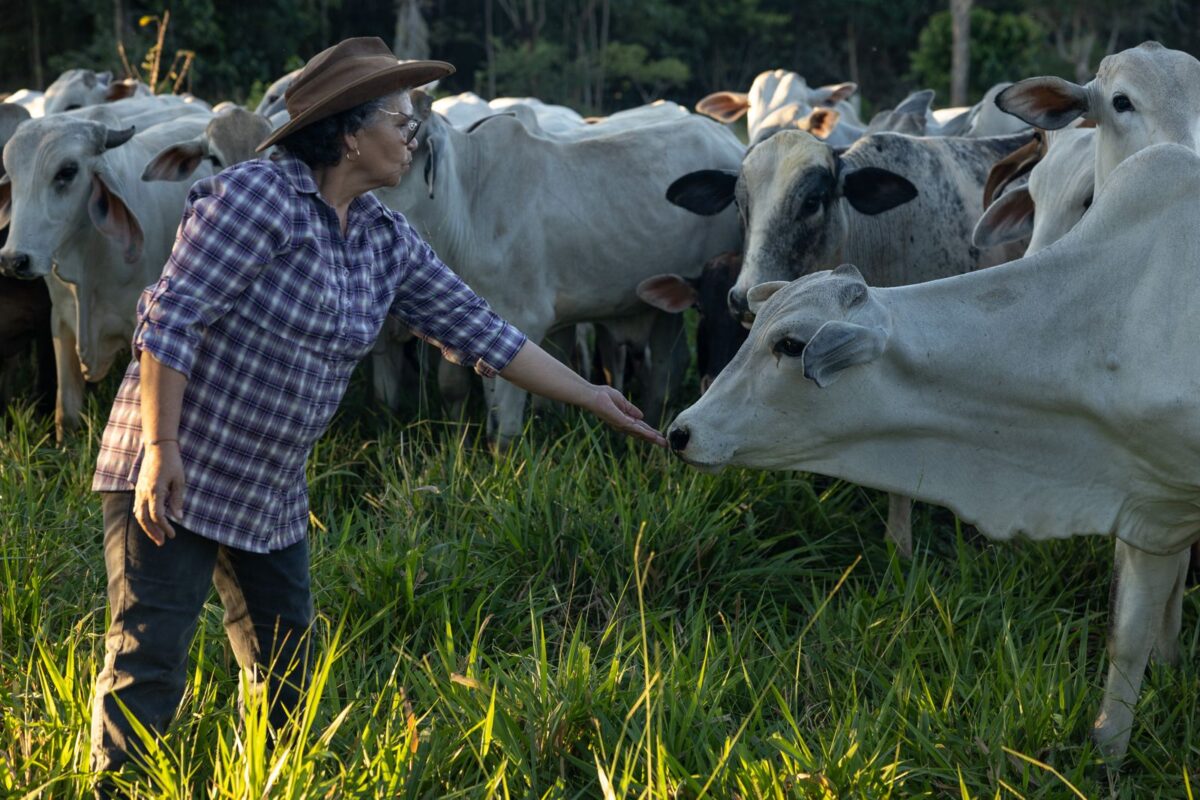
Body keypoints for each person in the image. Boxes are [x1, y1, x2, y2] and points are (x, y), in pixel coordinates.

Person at [88, 36, 666, 792]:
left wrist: (592, 396)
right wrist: (161, 446)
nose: (413, 132)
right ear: (350, 133)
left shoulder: (385, 237)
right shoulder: (257, 197)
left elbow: (483, 331)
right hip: (175, 462)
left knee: (287, 666)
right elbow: (171, 318)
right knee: (150, 657)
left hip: (266, 485)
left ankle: (267, 781)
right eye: (400, 117)